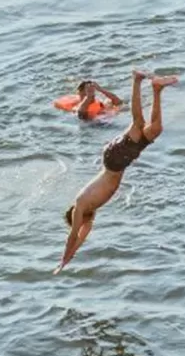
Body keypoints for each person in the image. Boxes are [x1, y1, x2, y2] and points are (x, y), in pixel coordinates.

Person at [57, 71, 178, 272]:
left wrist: (63, 259)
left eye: (78, 224)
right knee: (155, 129)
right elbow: (81, 238)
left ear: (75, 219)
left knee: (138, 124)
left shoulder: (80, 205)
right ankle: (157, 89)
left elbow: (74, 236)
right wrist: (69, 260)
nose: (83, 226)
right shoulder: (90, 211)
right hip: (122, 161)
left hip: (114, 161)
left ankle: (136, 80)